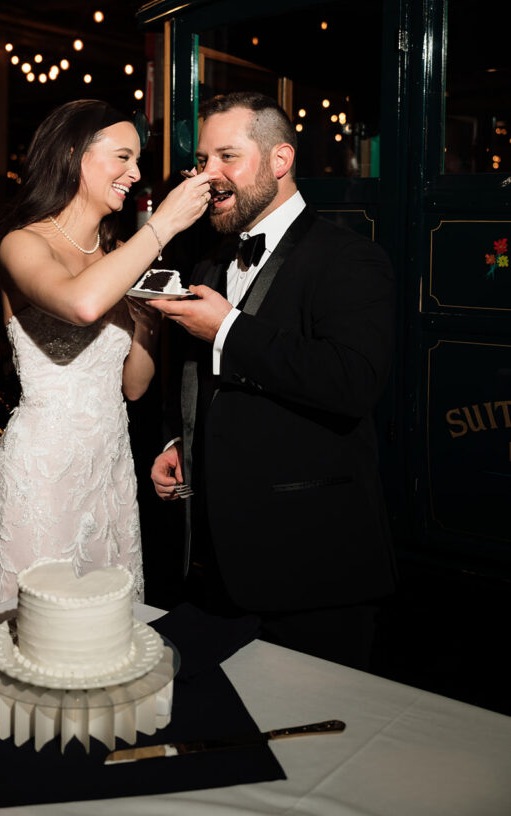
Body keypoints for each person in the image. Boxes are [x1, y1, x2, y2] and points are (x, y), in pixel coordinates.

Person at [150, 91, 396, 670]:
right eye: (203, 160)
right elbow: (192, 373)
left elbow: (351, 381)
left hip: (312, 566)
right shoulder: (210, 260)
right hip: (215, 569)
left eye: (227, 157)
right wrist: (175, 440)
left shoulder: (349, 258)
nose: (209, 176)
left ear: (279, 160)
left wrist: (228, 329)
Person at [0, 99, 213, 611]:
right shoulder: (22, 243)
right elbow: (81, 304)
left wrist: (147, 326)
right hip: (44, 471)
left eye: (137, 160)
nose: (136, 172)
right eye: (123, 157)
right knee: (39, 627)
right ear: (75, 154)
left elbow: (134, 386)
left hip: (111, 468)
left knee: (105, 629)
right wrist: (162, 225)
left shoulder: (113, 253)